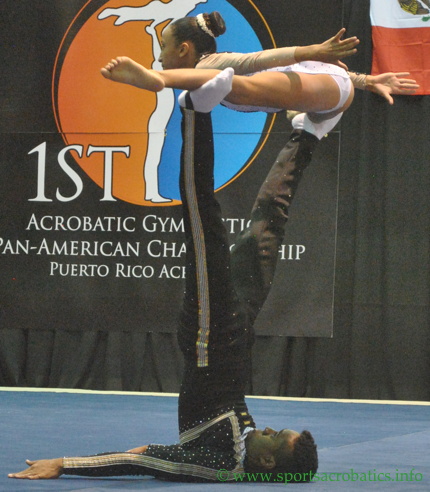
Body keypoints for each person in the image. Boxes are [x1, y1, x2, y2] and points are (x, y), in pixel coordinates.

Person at [9, 70, 319, 484]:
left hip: (209, 333)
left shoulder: (217, 464)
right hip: (237, 329)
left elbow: (141, 460)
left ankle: (197, 112)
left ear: (265, 463)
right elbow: (146, 452)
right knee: (266, 229)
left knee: (202, 217)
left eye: (274, 436)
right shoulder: (245, 444)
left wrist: (65, 464)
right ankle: (308, 133)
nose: (268, 427)